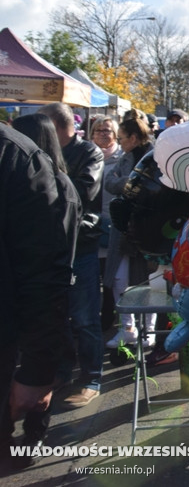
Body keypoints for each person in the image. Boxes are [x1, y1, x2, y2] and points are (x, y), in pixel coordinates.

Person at [7, 115, 82, 467]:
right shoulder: (52, 178)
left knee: (40, 388)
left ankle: (32, 441)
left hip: (46, 297)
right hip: (50, 297)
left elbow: (46, 263)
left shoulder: (42, 177)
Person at [37, 103, 105, 408]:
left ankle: (92, 377)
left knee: (85, 317)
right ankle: (63, 371)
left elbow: (80, 194)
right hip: (53, 247)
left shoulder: (89, 153)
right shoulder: (43, 154)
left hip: (82, 246)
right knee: (59, 316)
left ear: (55, 126)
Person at [103, 116, 156, 349]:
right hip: (123, 230)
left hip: (147, 230)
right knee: (118, 279)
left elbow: (151, 188)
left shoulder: (155, 156)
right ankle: (127, 328)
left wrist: (125, 184)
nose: (120, 142)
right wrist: (131, 182)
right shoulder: (125, 157)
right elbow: (109, 181)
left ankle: (149, 331)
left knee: (147, 282)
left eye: (122, 138)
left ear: (133, 138)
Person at [90, 115, 122, 331]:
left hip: (113, 223)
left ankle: (109, 316)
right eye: (99, 130)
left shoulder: (122, 158)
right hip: (91, 223)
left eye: (107, 130)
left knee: (112, 276)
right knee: (93, 275)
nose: (103, 133)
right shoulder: (86, 155)